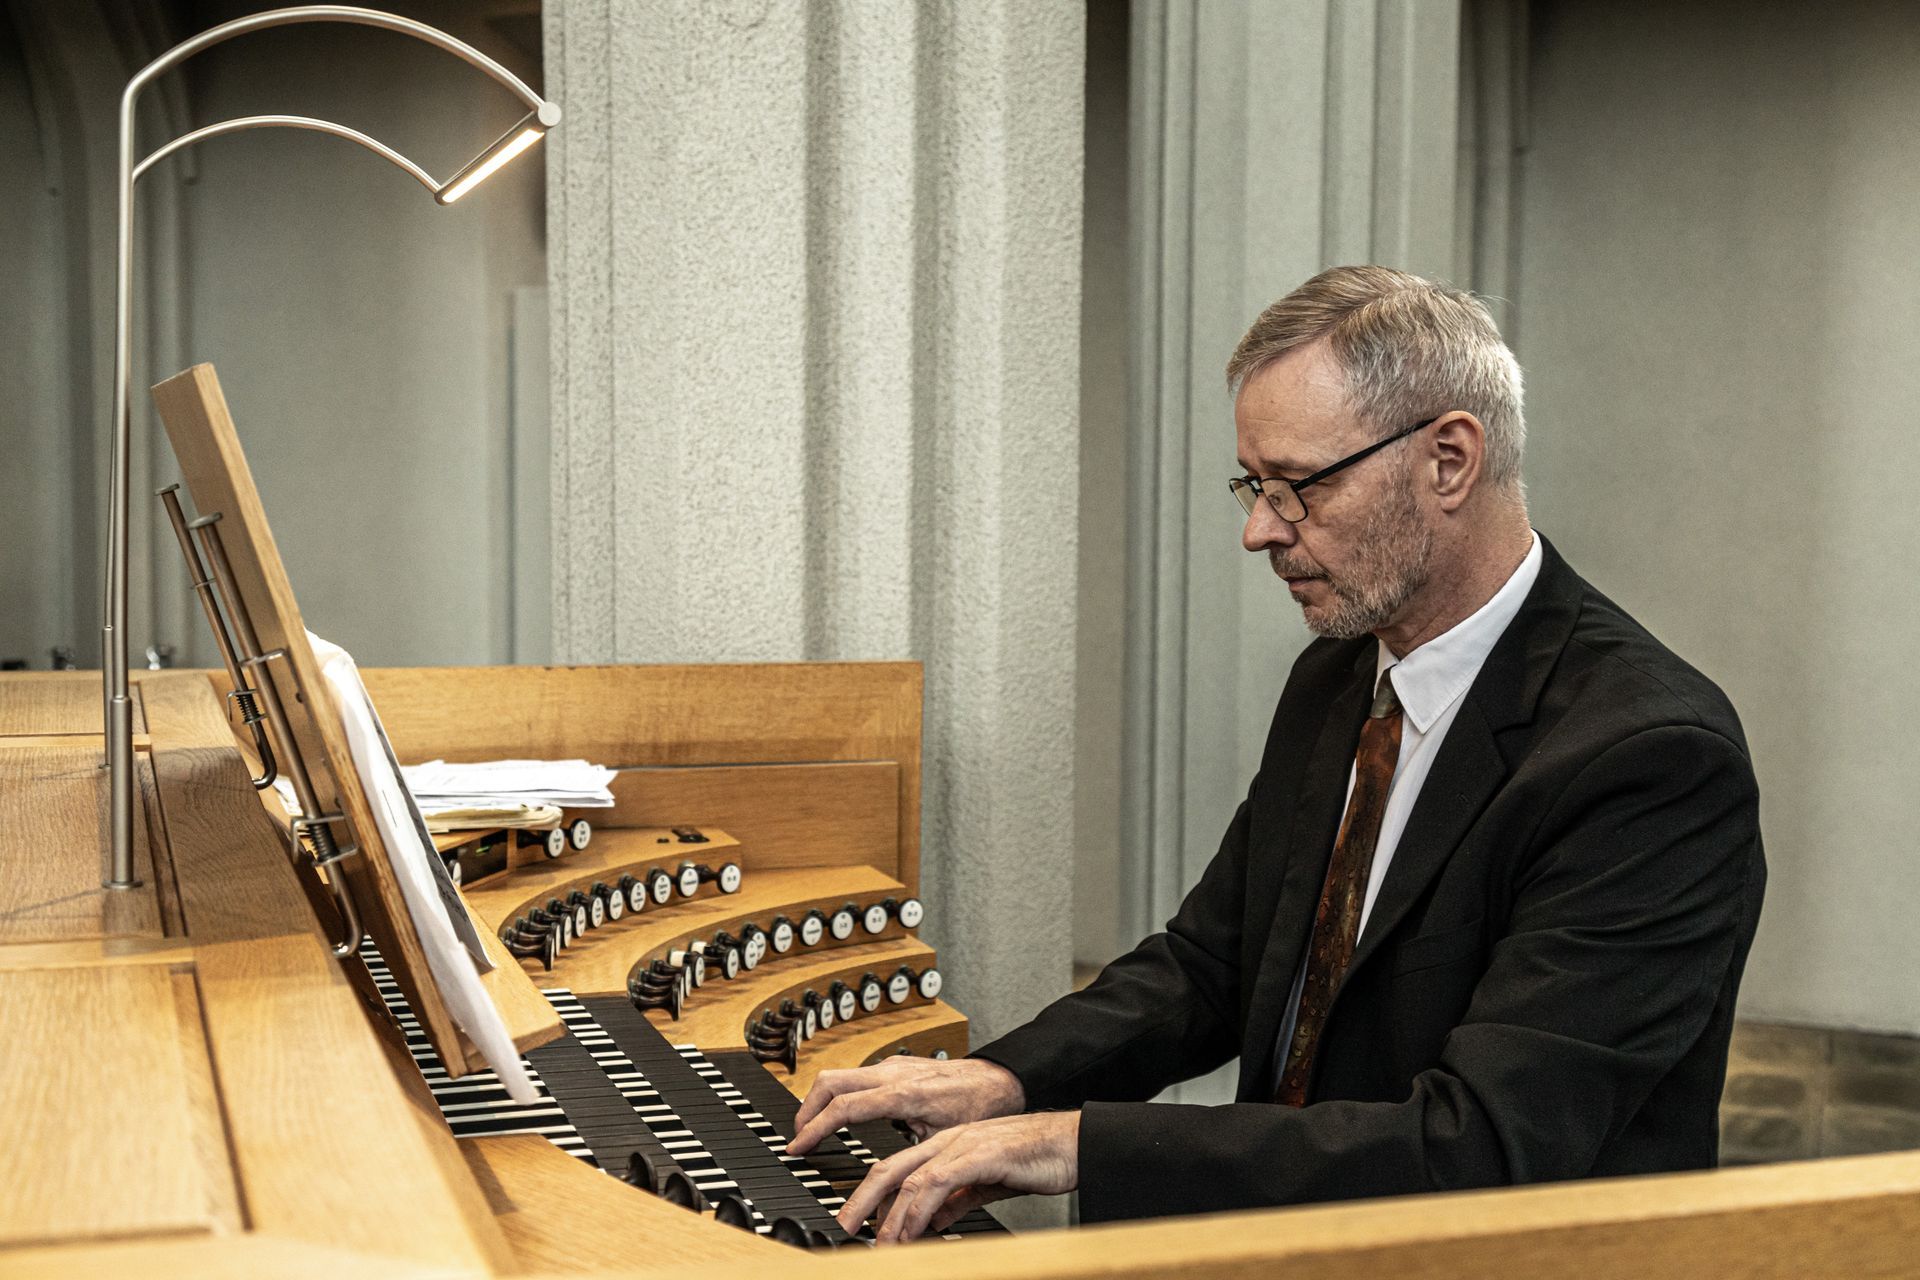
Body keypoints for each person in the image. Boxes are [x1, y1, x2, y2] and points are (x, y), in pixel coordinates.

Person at [787, 265, 1766, 1242]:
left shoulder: (1649, 759)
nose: (1261, 529)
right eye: (1254, 487)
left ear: (1450, 460)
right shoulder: (1339, 675)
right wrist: (1007, 1079)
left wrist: (1076, 1144)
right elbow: (1215, 962)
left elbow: (1478, 1145)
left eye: (1299, 487)